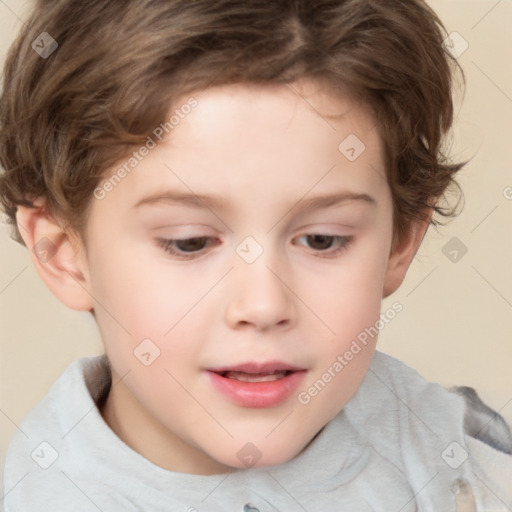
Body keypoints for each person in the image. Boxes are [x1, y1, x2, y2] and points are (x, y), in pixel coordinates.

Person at [1, 0, 511, 510]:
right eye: (190, 242)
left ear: (401, 241)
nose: (264, 305)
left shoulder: (464, 461)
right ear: (63, 253)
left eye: (322, 239)